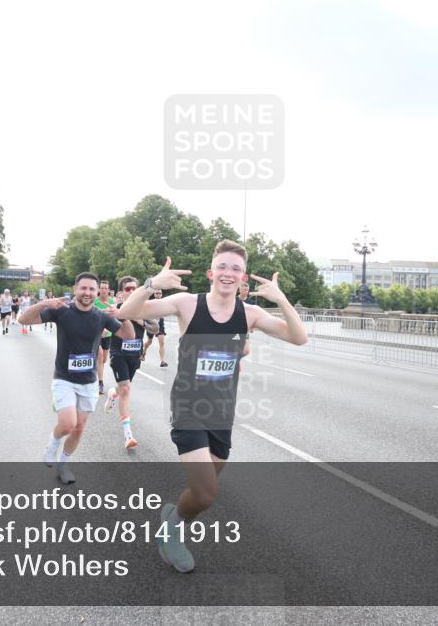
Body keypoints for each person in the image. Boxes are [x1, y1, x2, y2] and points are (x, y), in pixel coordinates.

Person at [118, 240, 308, 573]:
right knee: (206, 493)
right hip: (188, 408)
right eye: (222, 266)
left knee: (203, 487)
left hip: (221, 411)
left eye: (236, 268)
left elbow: (298, 337)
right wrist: (150, 285)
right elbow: (127, 313)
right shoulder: (187, 304)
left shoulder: (250, 314)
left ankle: (174, 516)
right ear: (211, 272)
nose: (228, 273)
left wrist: (282, 300)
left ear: (243, 277)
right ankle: (172, 530)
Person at [19, 273, 134, 484]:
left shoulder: (101, 316)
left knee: (79, 428)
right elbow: (23, 319)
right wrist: (44, 303)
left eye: (92, 289)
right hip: (64, 378)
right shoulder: (62, 311)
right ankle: (52, 445)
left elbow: (128, 336)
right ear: (75, 289)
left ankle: (63, 466)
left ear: (97, 292)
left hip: (88, 383)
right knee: (67, 424)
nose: (87, 293)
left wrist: (122, 314)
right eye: (83, 288)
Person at [105, 276, 159, 451]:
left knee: (122, 390)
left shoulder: (145, 309)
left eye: (134, 288)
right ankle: (128, 435)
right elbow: (106, 327)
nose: (131, 291)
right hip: (118, 353)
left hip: (134, 355)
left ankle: (113, 393)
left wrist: (137, 319)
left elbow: (155, 329)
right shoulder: (117, 309)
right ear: (121, 293)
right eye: (127, 289)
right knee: (126, 389)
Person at [92, 281, 116, 394]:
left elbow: (115, 319)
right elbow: (91, 316)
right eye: (101, 288)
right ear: (99, 289)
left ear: (108, 290)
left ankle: (96, 370)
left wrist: (108, 329)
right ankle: (100, 383)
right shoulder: (94, 301)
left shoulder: (112, 302)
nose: (103, 290)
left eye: (105, 288)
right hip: (96, 334)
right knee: (100, 356)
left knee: (103, 359)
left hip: (108, 334)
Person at [141, 290, 169, 366]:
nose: (159, 294)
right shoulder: (150, 302)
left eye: (160, 293)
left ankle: (162, 361)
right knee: (149, 341)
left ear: (162, 294)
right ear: (154, 294)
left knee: (162, 342)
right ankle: (144, 351)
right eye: (157, 293)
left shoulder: (164, 302)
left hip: (160, 324)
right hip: (152, 324)